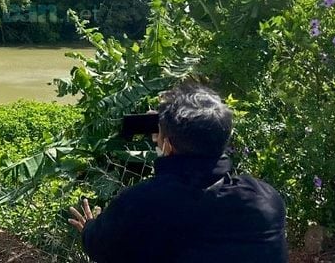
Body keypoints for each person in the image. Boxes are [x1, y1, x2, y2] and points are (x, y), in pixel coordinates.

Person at [68, 83, 288, 262]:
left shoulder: (141, 202)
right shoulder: (266, 198)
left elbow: (102, 247)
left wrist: (89, 228)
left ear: (168, 146)